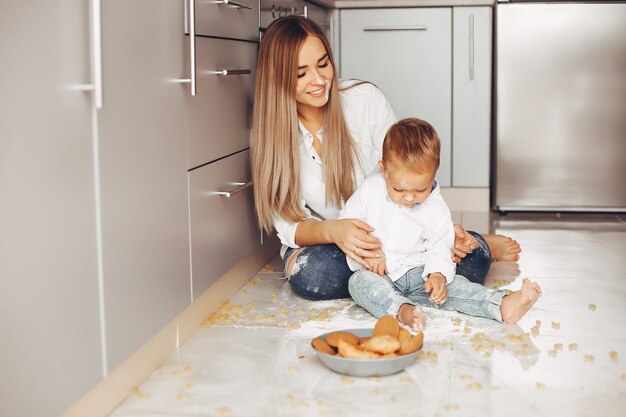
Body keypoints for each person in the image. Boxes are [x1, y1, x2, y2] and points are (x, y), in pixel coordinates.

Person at [250, 16, 521, 301]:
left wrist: (437, 229)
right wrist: (335, 231)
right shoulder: (271, 136)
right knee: (314, 275)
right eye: (300, 73)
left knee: (471, 259)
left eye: (323, 64)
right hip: (327, 243)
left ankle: (472, 245)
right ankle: (407, 279)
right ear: (277, 77)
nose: (318, 80)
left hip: (399, 234)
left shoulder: (365, 100)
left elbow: (408, 174)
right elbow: (289, 224)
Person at [343, 118, 541, 328]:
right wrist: (370, 254)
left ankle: (501, 305)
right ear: (384, 170)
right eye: (399, 190)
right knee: (358, 284)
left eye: (421, 190)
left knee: (457, 288)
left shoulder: (435, 205)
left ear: (434, 173)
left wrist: (437, 274)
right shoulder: (369, 190)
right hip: (379, 275)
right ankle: (402, 311)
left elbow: (441, 243)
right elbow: (349, 224)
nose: (410, 198)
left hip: (419, 272)